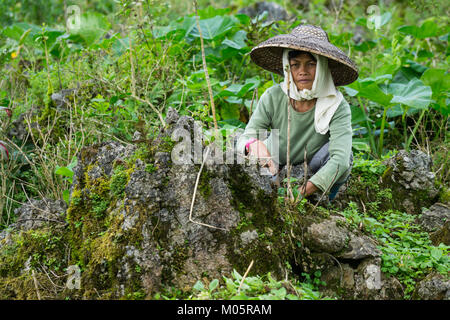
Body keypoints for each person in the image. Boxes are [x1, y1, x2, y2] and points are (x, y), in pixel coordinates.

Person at [236, 25, 359, 201]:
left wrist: (299, 194)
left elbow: (340, 160)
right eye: (295, 65)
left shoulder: (337, 105)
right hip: (272, 163)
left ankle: (325, 200)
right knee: (244, 152)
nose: (302, 71)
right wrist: (254, 144)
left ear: (323, 68)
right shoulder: (273, 96)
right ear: (287, 68)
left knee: (346, 158)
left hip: (313, 165)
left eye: (311, 64)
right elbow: (246, 136)